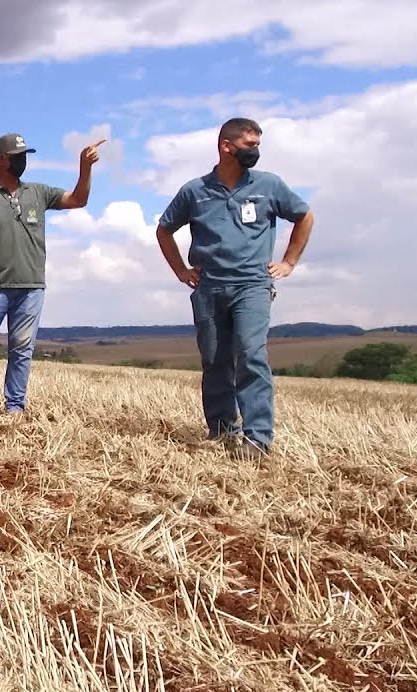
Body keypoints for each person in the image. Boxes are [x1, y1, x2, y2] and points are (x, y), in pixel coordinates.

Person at [156, 117, 313, 460]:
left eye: (258, 145)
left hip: (252, 285)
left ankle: (257, 439)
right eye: (249, 145)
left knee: (250, 354)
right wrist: (181, 270)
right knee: (215, 360)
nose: (255, 151)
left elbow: (304, 216)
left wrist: (289, 262)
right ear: (226, 146)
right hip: (209, 286)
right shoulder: (194, 191)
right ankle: (222, 431)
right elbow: (164, 229)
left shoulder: (269, 185)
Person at [0, 132, 104, 412]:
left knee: (22, 347)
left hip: (31, 287)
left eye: (24, 156)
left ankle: (15, 407)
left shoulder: (38, 192)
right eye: (16, 157)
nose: (22, 161)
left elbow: (78, 199)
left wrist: (85, 167)